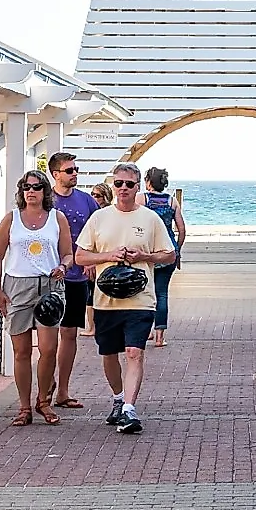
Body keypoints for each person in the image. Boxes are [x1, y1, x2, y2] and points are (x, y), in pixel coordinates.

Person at [73, 162, 175, 434]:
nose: (123, 189)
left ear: (138, 186)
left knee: (134, 352)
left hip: (140, 299)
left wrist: (145, 257)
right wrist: (109, 256)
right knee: (108, 354)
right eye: (119, 184)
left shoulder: (150, 219)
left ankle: (130, 409)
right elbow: (80, 256)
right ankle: (118, 398)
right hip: (106, 299)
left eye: (129, 184)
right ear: (113, 185)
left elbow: (169, 254)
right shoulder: (99, 218)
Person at [0, 168, 74, 426]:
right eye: (26, 187)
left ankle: (44, 401)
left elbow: (68, 254)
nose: (31, 192)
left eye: (36, 187)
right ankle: (24, 406)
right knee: (21, 351)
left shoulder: (56, 218)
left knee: (49, 349)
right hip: (17, 285)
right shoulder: (11, 219)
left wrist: (63, 266)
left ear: (45, 191)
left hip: (49, 287)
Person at [44, 152, 100, 410]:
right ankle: (45, 387)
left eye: (75, 169)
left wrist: (93, 261)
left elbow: (98, 232)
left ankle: (63, 391)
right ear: (55, 174)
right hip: (49, 278)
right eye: (69, 170)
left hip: (77, 277)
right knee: (48, 337)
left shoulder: (87, 201)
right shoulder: (46, 202)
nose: (74, 173)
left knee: (69, 334)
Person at [143, 166, 190, 347]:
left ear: (148, 182)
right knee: (161, 293)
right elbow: (182, 229)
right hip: (168, 250)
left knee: (145, 293)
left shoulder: (142, 199)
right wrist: (177, 249)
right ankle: (160, 337)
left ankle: (146, 331)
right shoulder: (172, 202)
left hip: (148, 252)